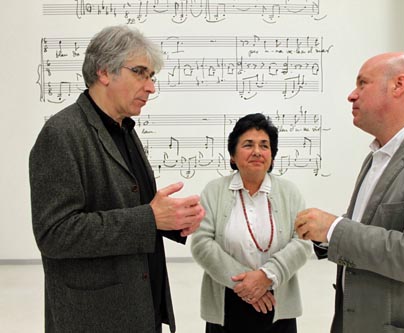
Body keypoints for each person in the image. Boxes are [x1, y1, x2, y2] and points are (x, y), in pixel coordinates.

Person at [29, 25, 205, 333]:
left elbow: (135, 208)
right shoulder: (62, 134)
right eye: (141, 73)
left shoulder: (125, 129)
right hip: (93, 317)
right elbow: (54, 234)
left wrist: (175, 221)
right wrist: (150, 218)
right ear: (104, 72)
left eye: (152, 77)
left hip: (140, 307)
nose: (151, 87)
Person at [294, 52, 404, 333]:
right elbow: (375, 228)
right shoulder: (376, 157)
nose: (351, 96)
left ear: (398, 85)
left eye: (362, 83)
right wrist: (323, 236)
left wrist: (334, 229)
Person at [190, 113, 312, 333]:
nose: (257, 151)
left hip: (278, 303)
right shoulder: (213, 191)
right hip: (227, 301)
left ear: (272, 156)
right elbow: (201, 244)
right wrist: (246, 286)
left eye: (264, 146)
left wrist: (266, 277)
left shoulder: (290, 192)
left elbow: (302, 243)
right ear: (233, 155)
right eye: (248, 144)